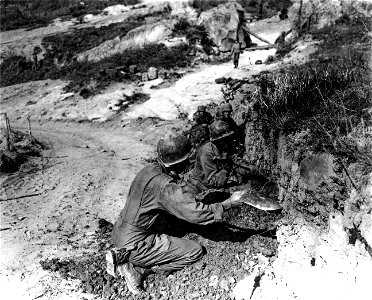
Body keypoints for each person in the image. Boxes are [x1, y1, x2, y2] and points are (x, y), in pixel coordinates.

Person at [106, 134, 245, 295]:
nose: (187, 166)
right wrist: (227, 204)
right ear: (177, 164)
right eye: (185, 163)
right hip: (135, 244)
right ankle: (137, 269)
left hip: (120, 232)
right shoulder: (164, 186)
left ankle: (130, 256)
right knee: (194, 251)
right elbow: (196, 214)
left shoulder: (149, 170)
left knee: (177, 223)